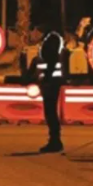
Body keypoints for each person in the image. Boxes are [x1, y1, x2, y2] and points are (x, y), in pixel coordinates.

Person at [29, 24, 68, 153]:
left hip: (51, 82)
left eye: (34, 30)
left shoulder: (52, 40)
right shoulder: (52, 39)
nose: (32, 34)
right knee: (50, 112)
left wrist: (46, 78)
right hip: (51, 80)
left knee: (50, 112)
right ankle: (54, 140)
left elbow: (51, 61)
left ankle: (55, 141)